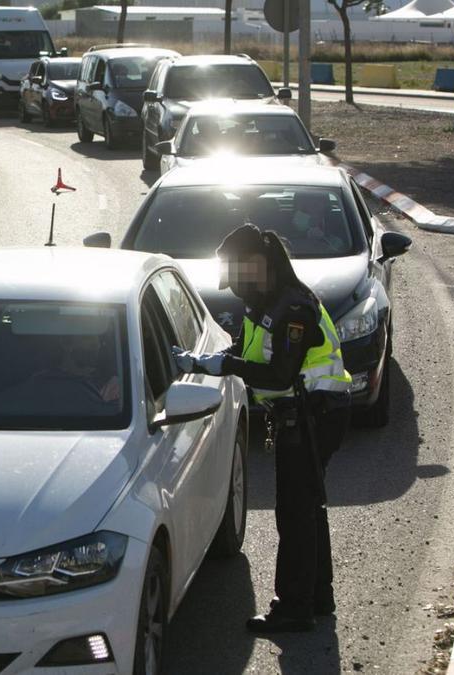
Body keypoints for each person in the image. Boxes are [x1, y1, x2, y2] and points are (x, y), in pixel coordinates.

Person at [173, 224, 352, 633]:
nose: (232, 284)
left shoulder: (293, 310)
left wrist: (229, 367)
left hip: (314, 416)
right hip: (302, 415)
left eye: (235, 273)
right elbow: (243, 349)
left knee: (295, 513)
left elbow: (279, 374)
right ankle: (317, 597)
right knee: (307, 508)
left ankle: (292, 608)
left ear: (256, 264)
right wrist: (202, 362)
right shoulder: (264, 303)